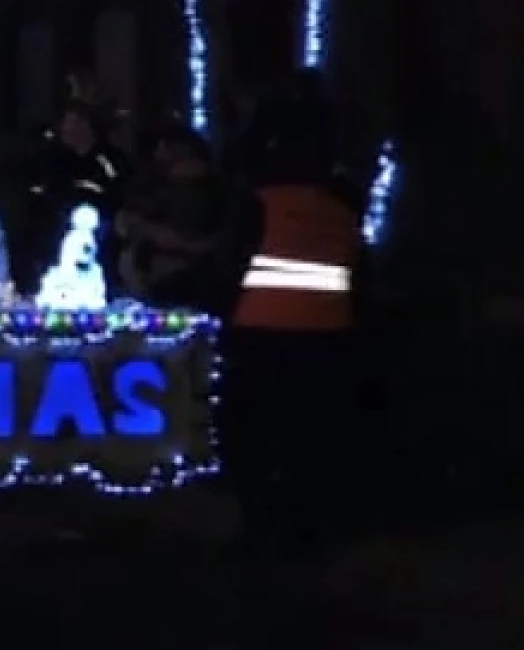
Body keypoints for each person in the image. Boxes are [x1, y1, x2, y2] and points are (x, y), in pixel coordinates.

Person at [216, 75, 362, 554]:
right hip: (329, 332)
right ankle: (309, 527)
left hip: (263, 329)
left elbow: (230, 262)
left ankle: (263, 527)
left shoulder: (260, 198)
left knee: (249, 433)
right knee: (310, 438)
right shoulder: (343, 201)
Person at [117, 125, 257, 315]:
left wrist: (148, 231)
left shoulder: (192, 191)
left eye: (163, 146)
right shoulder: (172, 188)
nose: (157, 153)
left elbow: (187, 238)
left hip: (181, 279)